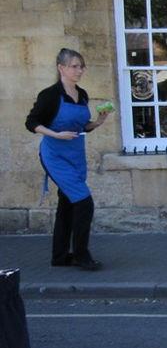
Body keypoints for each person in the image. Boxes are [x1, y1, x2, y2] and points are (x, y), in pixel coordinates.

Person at [25, 48, 111, 271]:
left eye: (81, 66)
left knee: (67, 204)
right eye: (74, 66)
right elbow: (32, 123)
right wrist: (56, 134)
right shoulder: (50, 95)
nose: (79, 70)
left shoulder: (81, 94)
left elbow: (82, 126)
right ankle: (82, 256)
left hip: (76, 156)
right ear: (61, 68)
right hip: (55, 156)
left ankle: (60, 256)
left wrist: (98, 122)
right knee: (84, 202)